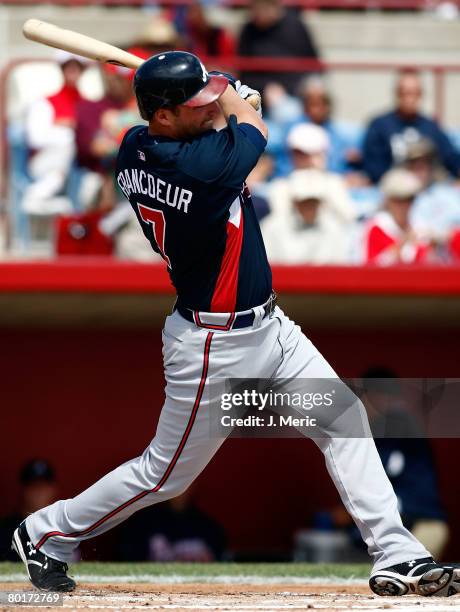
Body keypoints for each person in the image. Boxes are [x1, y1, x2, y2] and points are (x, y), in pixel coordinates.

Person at [12, 51, 459, 598]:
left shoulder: (136, 145)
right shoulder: (201, 167)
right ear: (165, 116)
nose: (204, 109)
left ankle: (397, 553)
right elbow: (253, 127)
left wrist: (211, 97)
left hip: (272, 331)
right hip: (213, 346)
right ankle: (45, 530)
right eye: (191, 105)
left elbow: (213, 122)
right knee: (164, 475)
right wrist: (236, 101)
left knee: (344, 419)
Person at [362, 69, 460, 184]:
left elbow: (451, 159)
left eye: (415, 93)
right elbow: (374, 169)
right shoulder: (380, 126)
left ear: (421, 95)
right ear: (397, 94)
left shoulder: (431, 127)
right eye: (405, 93)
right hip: (394, 191)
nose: (410, 99)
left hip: (428, 190)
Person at [22, 52, 87, 215]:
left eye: (77, 67)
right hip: (50, 166)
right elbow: (35, 138)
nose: (72, 71)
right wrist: (67, 128)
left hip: (82, 166)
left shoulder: (87, 103)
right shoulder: (45, 102)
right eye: (68, 67)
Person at [261, 169, 351, 264]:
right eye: (304, 202)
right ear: (294, 202)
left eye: (314, 202)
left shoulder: (334, 228)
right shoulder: (273, 227)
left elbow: (340, 265)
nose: (310, 207)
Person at [237, 0, 319, 97]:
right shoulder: (248, 31)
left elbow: (313, 62)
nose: (259, 13)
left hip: (298, 85)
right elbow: (244, 73)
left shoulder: (295, 25)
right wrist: (265, 87)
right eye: (255, 8)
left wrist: (310, 85)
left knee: (316, 89)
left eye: (264, 7)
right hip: (264, 92)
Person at [363, 168, 432, 265]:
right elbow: (373, 266)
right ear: (388, 201)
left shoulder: (419, 226)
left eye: (408, 199)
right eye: (398, 200)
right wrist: (403, 242)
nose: (403, 206)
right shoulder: (377, 226)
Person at [0, 460, 58, 561]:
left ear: (53, 489)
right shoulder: (6, 530)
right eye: (33, 486)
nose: (39, 491)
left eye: (43, 486)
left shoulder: (62, 528)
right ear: (23, 490)